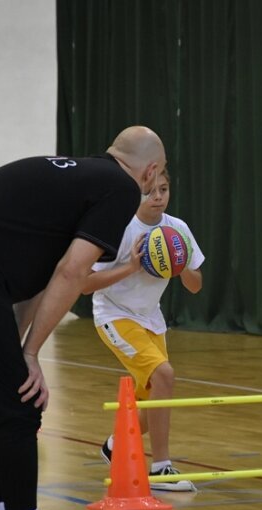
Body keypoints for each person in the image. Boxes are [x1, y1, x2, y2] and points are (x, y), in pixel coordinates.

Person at [0, 126, 166, 510]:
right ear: (151, 170)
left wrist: (21, 349)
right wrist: (31, 354)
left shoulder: (82, 179)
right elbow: (71, 273)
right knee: (21, 406)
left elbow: (43, 280)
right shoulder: (120, 189)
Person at [82, 168, 205, 492]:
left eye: (164, 190)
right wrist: (132, 267)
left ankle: (114, 446)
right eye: (151, 191)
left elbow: (196, 285)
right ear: (136, 193)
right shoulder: (120, 229)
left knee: (152, 406)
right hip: (115, 315)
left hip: (152, 319)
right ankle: (161, 468)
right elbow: (84, 284)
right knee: (165, 376)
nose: (159, 197)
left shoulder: (177, 229)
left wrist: (180, 268)